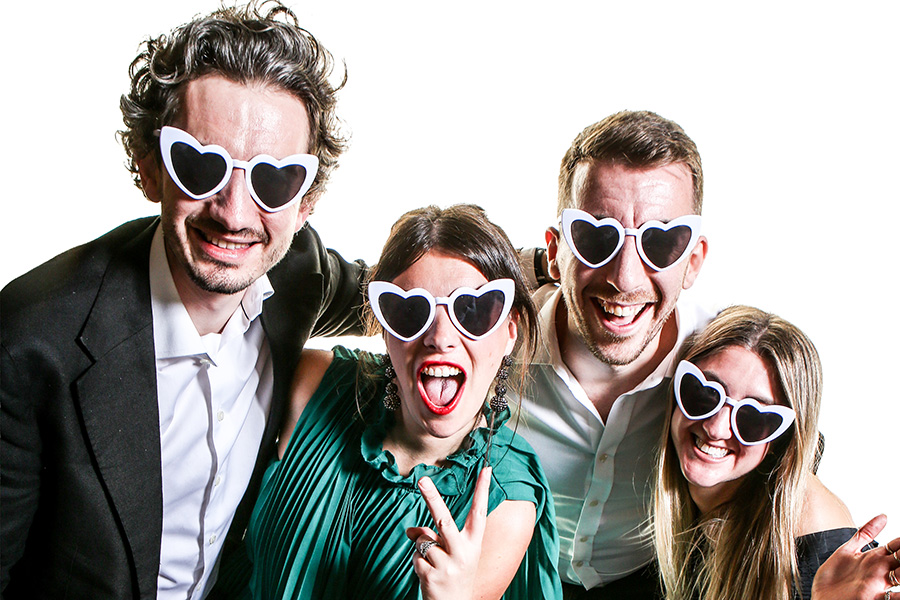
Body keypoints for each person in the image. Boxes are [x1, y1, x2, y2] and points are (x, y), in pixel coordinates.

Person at [0, 2, 366, 598]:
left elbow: (384, 296)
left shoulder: (299, 272)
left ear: (307, 201)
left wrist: (541, 270)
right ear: (149, 166)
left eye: (274, 179)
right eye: (200, 166)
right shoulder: (27, 341)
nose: (235, 212)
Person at [229, 204, 561, 599]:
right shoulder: (313, 386)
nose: (440, 336)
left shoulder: (507, 500)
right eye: (410, 311)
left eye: (472, 310)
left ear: (509, 332)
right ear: (384, 329)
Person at [513, 110, 711, 599]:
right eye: (596, 237)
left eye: (661, 242)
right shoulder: (494, 340)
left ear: (694, 261)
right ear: (556, 251)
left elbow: (791, 462)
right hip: (516, 575)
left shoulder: (716, 364)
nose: (624, 278)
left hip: (654, 581)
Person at [652, 305, 900, 600]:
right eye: (705, 393)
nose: (717, 428)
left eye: (752, 417)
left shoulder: (814, 547)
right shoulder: (696, 500)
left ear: (782, 440)